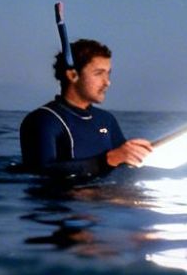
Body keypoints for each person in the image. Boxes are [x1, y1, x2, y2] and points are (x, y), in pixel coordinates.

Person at [19, 38, 154, 177]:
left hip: (106, 196)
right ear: (73, 75)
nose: (107, 82)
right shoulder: (43, 120)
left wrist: (136, 154)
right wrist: (109, 159)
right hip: (64, 197)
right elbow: (39, 173)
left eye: (108, 73)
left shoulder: (106, 120)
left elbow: (122, 166)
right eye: (99, 73)